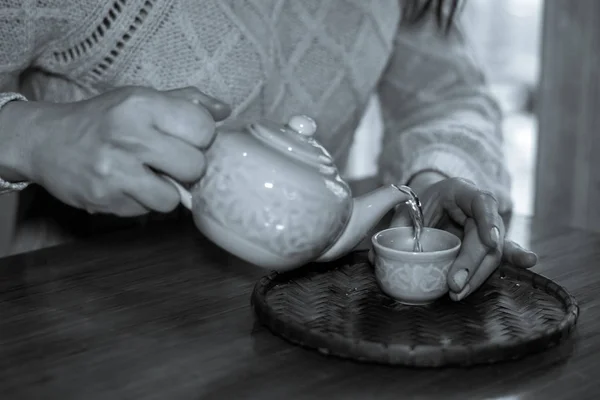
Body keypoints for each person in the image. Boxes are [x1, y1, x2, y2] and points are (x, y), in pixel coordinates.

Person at [0, 0, 537, 300]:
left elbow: (445, 97)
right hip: (72, 315)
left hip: (300, 319)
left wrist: (433, 175)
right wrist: (28, 135)